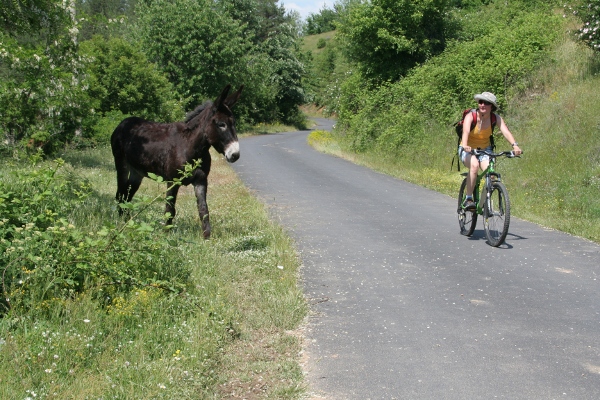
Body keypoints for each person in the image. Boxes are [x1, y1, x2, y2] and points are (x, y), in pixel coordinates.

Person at [458, 92, 522, 209]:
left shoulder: (495, 118)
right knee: (474, 165)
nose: (482, 105)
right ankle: (468, 198)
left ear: (491, 106)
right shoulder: (471, 116)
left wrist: (515, 146)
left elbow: (506, 131)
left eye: (486, 103)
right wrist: (466, 145)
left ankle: (485, 200)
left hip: (484, 150)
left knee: (491, 174)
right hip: (467, 148)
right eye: (481, 102)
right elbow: (466, 131)